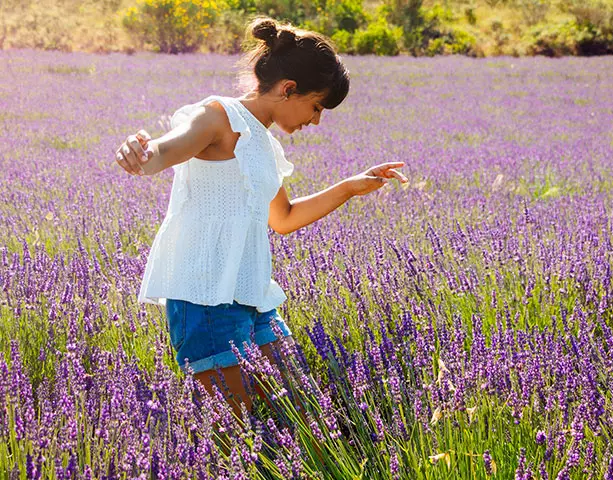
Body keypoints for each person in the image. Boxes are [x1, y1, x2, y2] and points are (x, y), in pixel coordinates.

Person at [114, 16, 408, 422]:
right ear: (289, 89)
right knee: (235, 433)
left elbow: (283, 218)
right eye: (317, 106)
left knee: (303, 415)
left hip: (252, 293)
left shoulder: (264, 146)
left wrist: (348, 187)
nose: (316, 120)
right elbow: (163, 153)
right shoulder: (219, 117)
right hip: (205, 298)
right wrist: (139, 150)